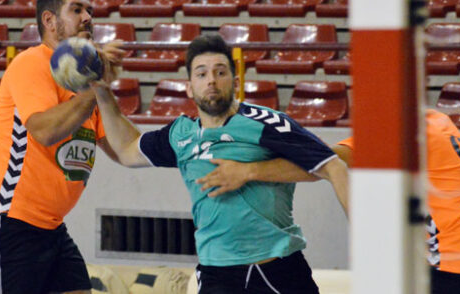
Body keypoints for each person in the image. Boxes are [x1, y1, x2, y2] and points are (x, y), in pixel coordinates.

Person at [91, 34, 349, 294]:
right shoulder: (180, 134)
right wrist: (102, 91)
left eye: (220, 72)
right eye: (201, 74)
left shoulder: (266, 122)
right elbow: (126, 151)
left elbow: (332, 166)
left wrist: (249, 171)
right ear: (190, 88)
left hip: (277, 268)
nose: (211, 80)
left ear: (235, 83)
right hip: (217, 274)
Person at [0, 0, 125, 294]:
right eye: (77, 10)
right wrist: (95, 88)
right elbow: (44, 130)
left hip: (50, 227)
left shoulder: (85, 84)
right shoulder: (31, 62)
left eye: (90, 10)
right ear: (50, 21)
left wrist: (180, 145)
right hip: (8, 221)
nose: (88, 18)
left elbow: (122, 149)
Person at [333, 110, 460, 294]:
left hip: (458, 252)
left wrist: (300, 142)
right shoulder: (437, 118)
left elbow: (332, 159)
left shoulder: (403, 130)